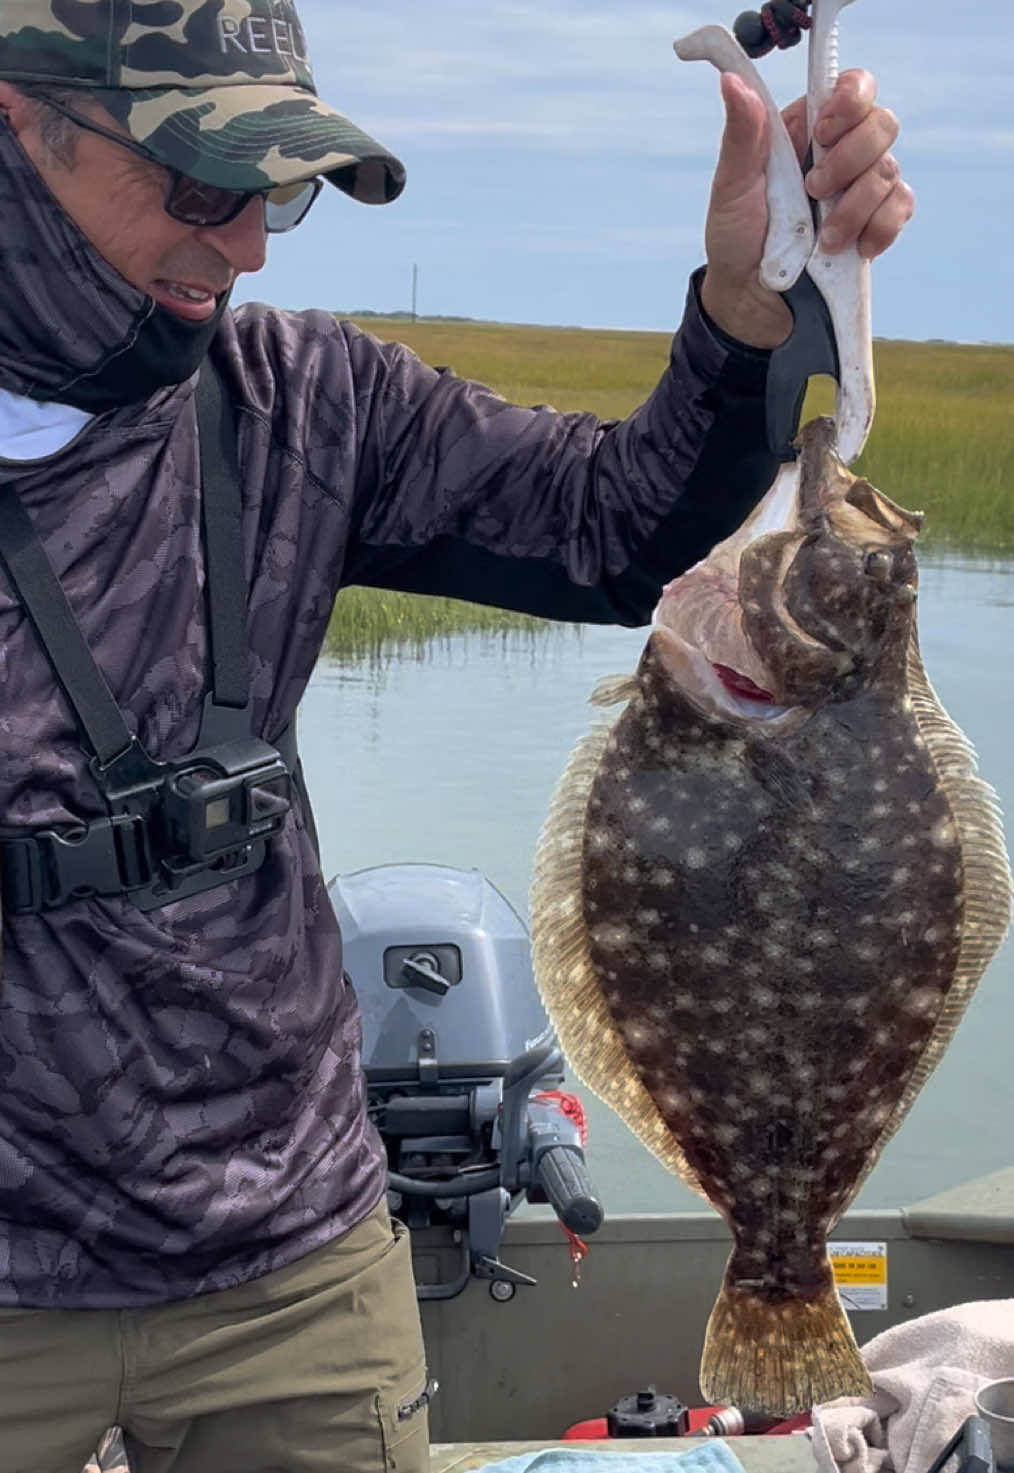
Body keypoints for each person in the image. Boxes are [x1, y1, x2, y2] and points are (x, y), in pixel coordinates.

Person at [0, 2, 912, 1471]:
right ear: (18, 132)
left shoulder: (302, 405)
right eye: (201, 185)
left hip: (289, 1263)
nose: (246, 249)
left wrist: (747, 311)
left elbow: (612, 528)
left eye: (276, 193)